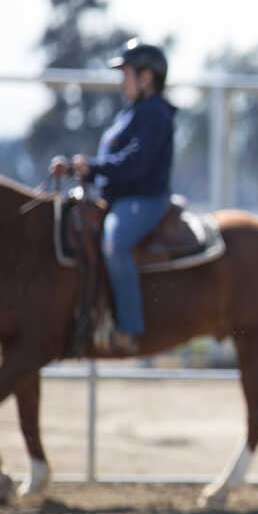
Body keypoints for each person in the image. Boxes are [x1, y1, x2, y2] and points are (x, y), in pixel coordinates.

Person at [50, 40, 176, 355]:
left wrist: (90, 167)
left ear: (146, 77)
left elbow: (136, 164)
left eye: (127, 73)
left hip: (143, 200)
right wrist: (85, 168)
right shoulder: (135, 113)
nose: (123, 81)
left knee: (115, 244)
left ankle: (129, 328)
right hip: (121, 199)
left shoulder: (155, 113)